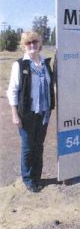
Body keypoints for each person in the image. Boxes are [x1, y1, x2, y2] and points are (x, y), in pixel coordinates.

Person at [7, 31, 55, 192]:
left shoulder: (46, 63)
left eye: (35, 42)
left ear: (40, 44)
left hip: (43, 112)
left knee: (39, 145)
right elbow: (12, 91)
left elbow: (52, 84)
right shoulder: (20, 65)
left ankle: (37, 176)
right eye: (28, 43)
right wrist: (15, 114)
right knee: (28, 146)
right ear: (24, 46)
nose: (32, 45)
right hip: (26, 113)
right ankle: (28, 180)